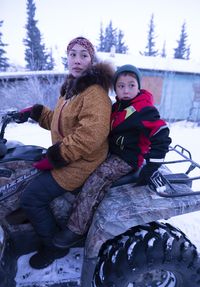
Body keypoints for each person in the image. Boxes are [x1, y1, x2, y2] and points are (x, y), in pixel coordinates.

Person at [14, 37, 114, 269]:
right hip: (68, 155)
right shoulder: (71, 89)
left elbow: (88, 137)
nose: (77, 60)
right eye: (72, 54)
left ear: (91, 60)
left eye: (83, 55)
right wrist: (36, 112)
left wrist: (55, 157)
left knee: (31, 198)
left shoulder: (95, 94)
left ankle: (54, 247)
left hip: (82, 162)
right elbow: (60, 123)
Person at [53, 64, 172, 249]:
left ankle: (76, 229)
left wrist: (152, 165)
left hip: (127, 159)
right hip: (111, 152)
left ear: (138, 87)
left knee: (97, 179)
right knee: (83, 168)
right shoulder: (117, 106)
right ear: (115, 88)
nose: (126, 90)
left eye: (131, 85)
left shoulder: (144, 109)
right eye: (121, 86)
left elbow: (161, 133)